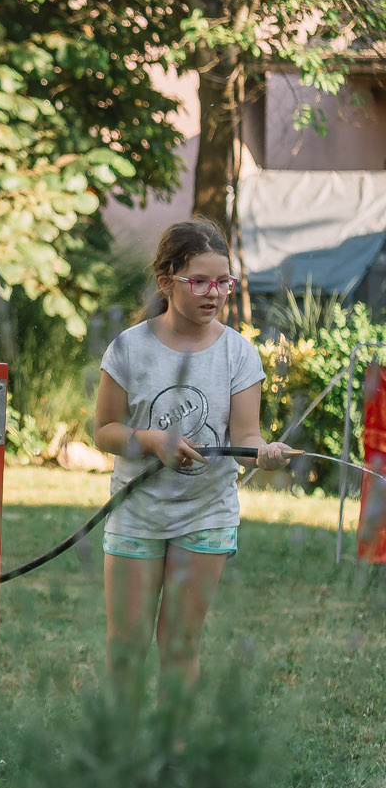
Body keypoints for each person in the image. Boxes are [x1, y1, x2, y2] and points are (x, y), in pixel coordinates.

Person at [93, 218, 291, 682]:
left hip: (206, 515)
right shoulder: (128, 349)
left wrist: (263, 452)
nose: (213, 293)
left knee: (180, 644)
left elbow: (245, 438)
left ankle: (173, 733)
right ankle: (122, 733)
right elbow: (104, 431)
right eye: (199, 281)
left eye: (223, 282)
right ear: (167, 282)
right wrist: (151, 440)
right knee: (126, 646)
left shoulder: (238, 354)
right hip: (137, 514)